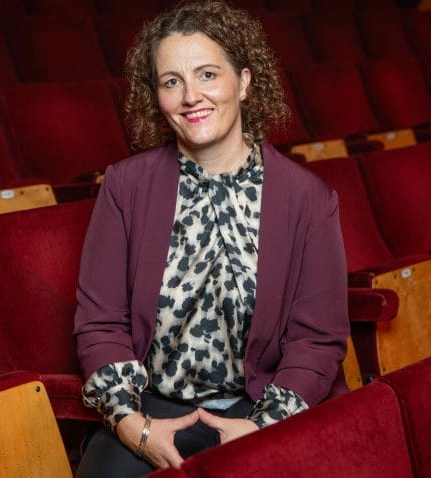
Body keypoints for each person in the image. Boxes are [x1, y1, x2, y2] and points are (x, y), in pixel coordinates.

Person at [73, 1, 349, 476]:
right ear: (156, 96)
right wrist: (133, 426)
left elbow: (318, 339)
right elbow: (100, 323)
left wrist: (265, 425)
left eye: (206, 74)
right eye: (171, 82)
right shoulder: (125, 186)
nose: (190, 97)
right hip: (153, 406)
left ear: (242, 82)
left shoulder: (309, 199)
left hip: (261, 403)